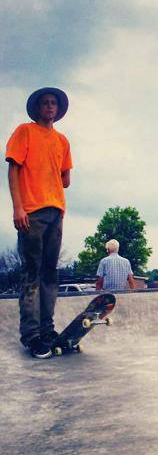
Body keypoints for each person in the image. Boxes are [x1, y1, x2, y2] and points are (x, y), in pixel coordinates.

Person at [5, 87, 73, 359]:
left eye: (53, 103)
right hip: (31, 212)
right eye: (45, 103)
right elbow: (13, 169)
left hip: (56, 211)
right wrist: (18, 207)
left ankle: (47, 329)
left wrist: (54, 173)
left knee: (50, 274)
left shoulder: (62, 140)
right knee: (31, 273)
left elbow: (66, 179)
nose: (49, 106)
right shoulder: (25, 131)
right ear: (37, 108)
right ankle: (32, 335)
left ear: (57, 109)